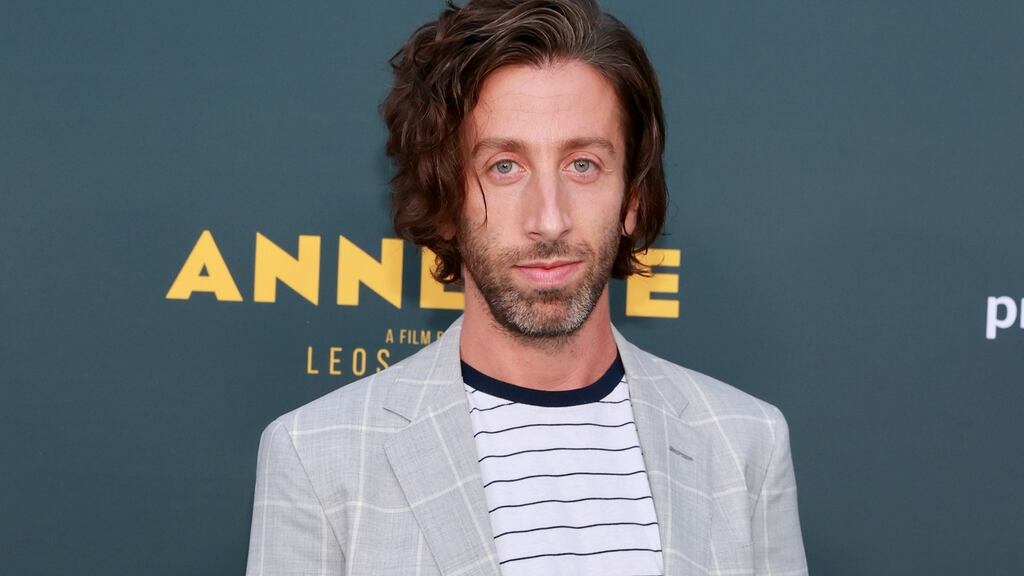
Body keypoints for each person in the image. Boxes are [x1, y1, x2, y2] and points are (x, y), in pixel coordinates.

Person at [245, 0, 808, 574]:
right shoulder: (318, 457)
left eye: (582, 165)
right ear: (445, 203)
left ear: (632, 198)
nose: (549, 218)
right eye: (504, 167)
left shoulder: (745, 445)